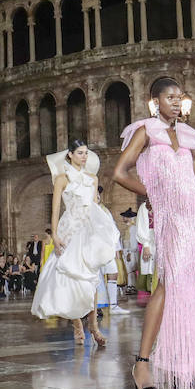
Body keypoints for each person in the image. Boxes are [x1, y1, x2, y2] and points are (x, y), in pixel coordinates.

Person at [114, 77, 195, 389]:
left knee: (190, 288)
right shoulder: (145, 130)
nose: (175, 101)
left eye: (179, 97)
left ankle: (181, 362)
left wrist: (194, 199)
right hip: (171, 219)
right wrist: (155, 195)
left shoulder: (186, 135)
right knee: (168, 284)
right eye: (169, 97)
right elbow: (120, 173)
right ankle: (142, 364)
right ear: (154, 101)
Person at [30, 139, 120, 345]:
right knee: (72, 278)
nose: (84, 157)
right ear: (70, 155)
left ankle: (94, 326)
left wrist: (104, 232)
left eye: (86, 153)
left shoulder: (92, 178)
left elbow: (95, 208)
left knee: (92, 278)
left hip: (88, 231)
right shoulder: (61, 179)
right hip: (69, 229)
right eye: (80, 153)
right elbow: (55, 210)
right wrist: (54, 234)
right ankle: (77, 324)